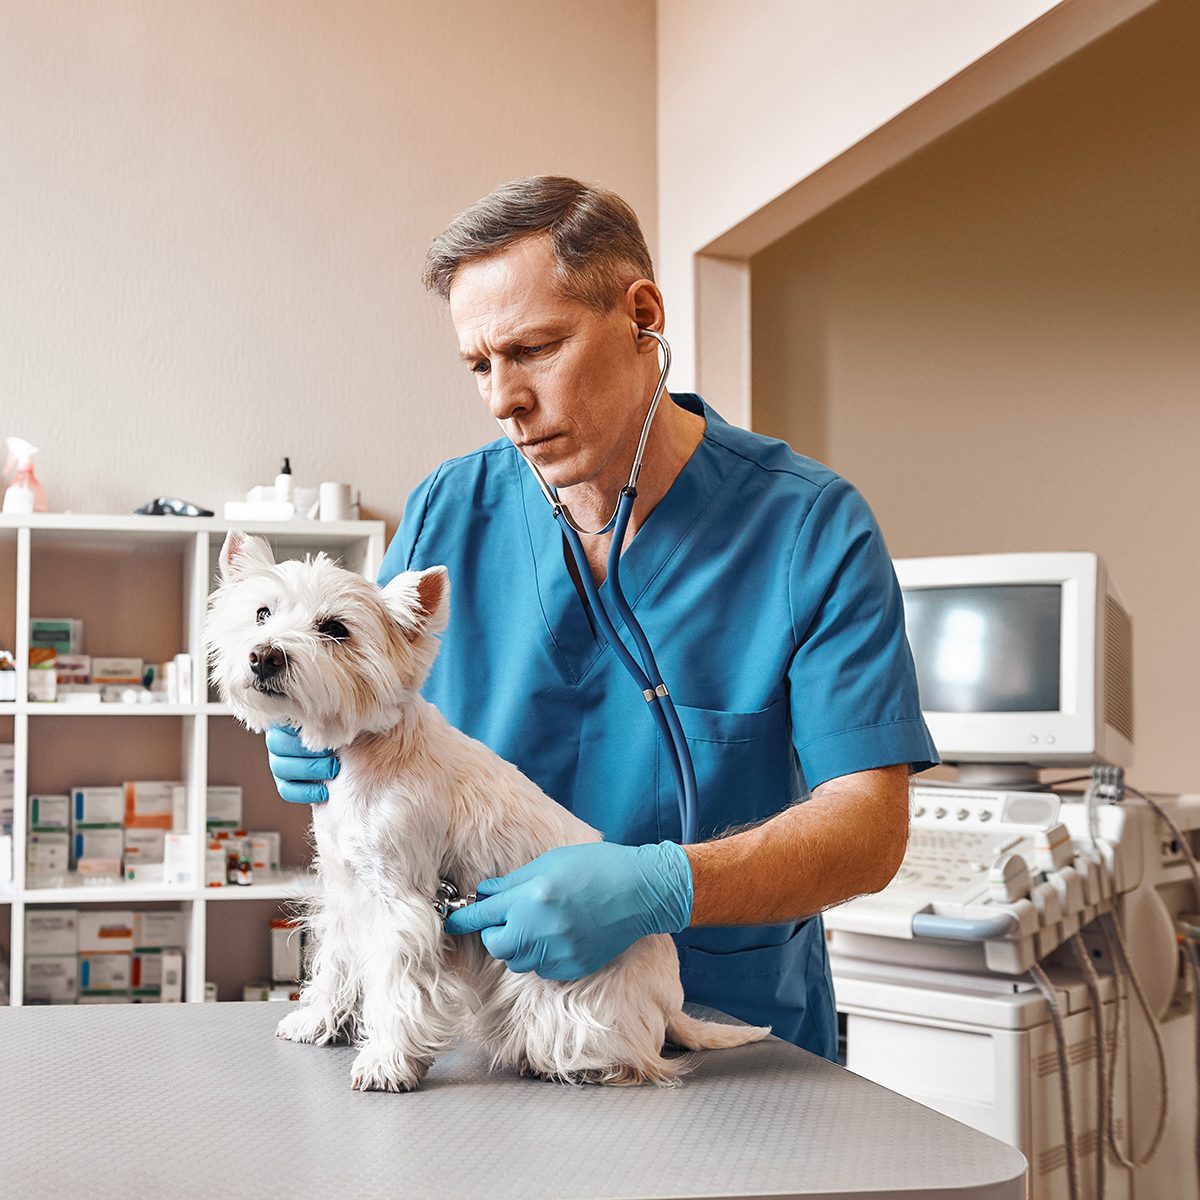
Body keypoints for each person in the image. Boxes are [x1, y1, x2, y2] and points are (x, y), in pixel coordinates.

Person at [266, 175, 939, 1059]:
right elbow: (374, 702)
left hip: (731, 1034)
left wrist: (664, 885)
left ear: (642, 315)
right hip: (485, 1027)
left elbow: (867, 830)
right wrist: (314, 722)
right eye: (479, 365)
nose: (502, 399)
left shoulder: (809, 527)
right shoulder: (446, 510)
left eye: (534, 348)